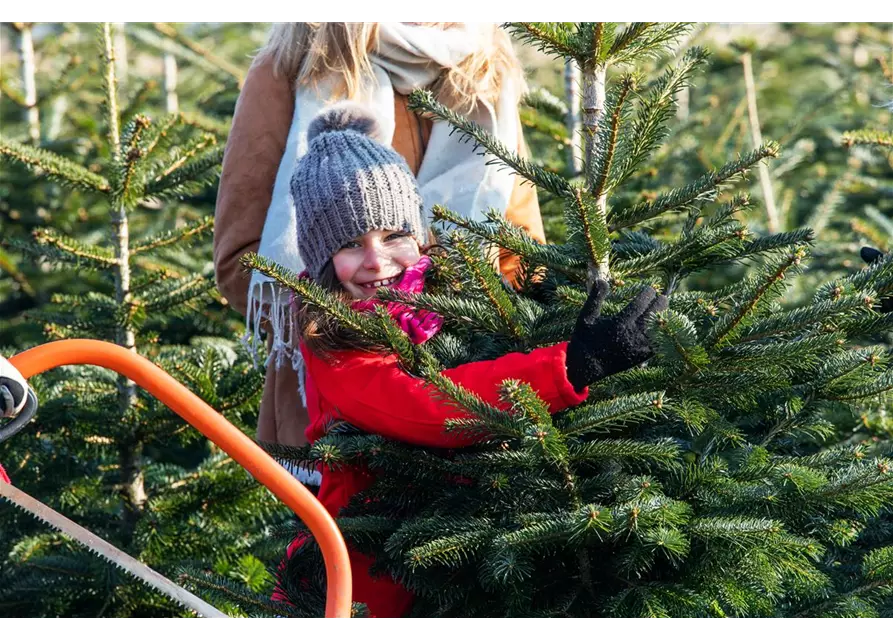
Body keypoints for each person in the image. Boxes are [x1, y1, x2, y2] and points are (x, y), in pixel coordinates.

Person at [268, 102, 668, 619]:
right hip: (379, 568)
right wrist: (569, 367)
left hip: (489, 554)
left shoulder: (455, 291)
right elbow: (424, 407)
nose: (377, 259)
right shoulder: (334, 337)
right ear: (322, 259)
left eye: (393, 235)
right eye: (350, 244)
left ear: (417, 232)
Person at [212, 22, 547, 458]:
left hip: (472, 396)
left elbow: (521, 250)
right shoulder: (296, 63)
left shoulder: (486, 68)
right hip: (335, 422)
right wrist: (358, 341)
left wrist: (466, 331)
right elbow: (241, 260)